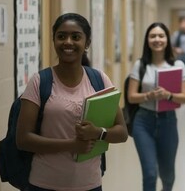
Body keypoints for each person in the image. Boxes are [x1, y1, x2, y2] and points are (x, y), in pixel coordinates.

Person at [16, 13, 128, 191]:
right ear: (54, 41)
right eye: (61, 36)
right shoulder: (39, 81)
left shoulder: (99, 80)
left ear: (87, 43)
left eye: (75, 37)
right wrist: (72, 145)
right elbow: (23, 139)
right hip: (44, 184)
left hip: (90, 184)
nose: (68, 42)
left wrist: (98, 132)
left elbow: (122, 133)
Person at [127, 22, 185, 191]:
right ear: (147, 40)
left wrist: (168, 95)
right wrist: (149, 95)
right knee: (150, 173)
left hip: (168, 122)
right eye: (153, 36)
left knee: (168, 176)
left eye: (161, 36)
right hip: (143, 122)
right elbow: (131, 97)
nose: (157, 39)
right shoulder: (140, 65)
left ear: (167, 40)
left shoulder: (178, 66)